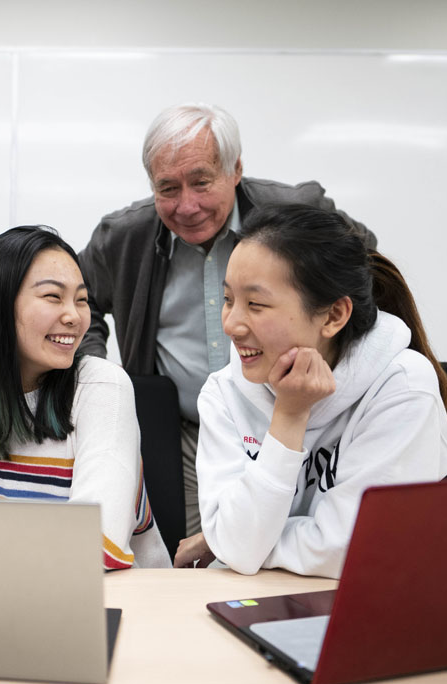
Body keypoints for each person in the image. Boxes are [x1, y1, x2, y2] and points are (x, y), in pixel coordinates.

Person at [78, 102, 376, 538]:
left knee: (310, 535)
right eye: (168, 188)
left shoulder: (298, 213)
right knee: (204, 555)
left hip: (300, 417)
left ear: (235, 169)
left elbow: (365, 273)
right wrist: (103, 383)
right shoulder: (124, 238)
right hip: (186, 432)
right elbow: (77, 306)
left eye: (201, 182)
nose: (187, 205)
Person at [173, 203, 447, 577]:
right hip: (252, 602)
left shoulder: (401, 386)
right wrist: (289, 416)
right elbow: (242, 548)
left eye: (255, 304)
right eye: (228, 300)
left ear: (334, 315)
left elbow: (358, 549)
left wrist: (243, 540)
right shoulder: (223, 393)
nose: (231, 324)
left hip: (368, 604)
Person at [0, 226, 171, 569]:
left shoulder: (102, 386)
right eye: (53, 297)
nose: (74, 316)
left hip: (120, 602)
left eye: (82, 299)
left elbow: (99, 542)